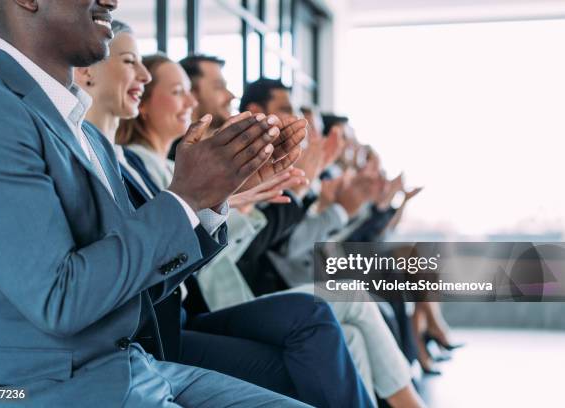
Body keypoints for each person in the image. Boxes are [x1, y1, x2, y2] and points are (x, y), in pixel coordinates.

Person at [0, 1, 311, 406]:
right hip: (40, 389)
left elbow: (132, 282)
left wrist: (211, 198)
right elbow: (59, 299)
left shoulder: (89, 137)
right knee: (318, 323)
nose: (112, 1)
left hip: (129, 368)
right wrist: (186, 197)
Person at [77, 21, 375, 408]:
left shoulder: (124, 162)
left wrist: (231, 201)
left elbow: (174, 247)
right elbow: (156, 256)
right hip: (163, 326)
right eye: (131, 62)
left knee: (345, 316)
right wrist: (233, 201)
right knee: (330, 329)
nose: (144, 77)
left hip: (177, 312)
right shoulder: (115, 162)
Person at [179, 62, 426, 408]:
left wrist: (375, 206)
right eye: (287, 110)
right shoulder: (191, 166)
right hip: (234, 299)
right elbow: (282, 249)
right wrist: (312, 199)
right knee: (356, 296)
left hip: (251, 291)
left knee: (355, 327)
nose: (229, 95)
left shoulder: (264, 168)